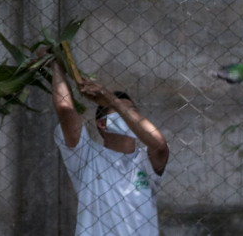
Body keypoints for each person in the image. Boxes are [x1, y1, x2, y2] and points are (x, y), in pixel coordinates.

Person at [48, 55, 169, 236]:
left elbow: (160, 145)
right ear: (102, 124)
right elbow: (66, 110)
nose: (128, 116)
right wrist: (55, 63)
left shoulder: (145, 161)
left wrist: (113, 101)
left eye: (131, 112)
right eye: (119, 112)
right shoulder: (87, 157)